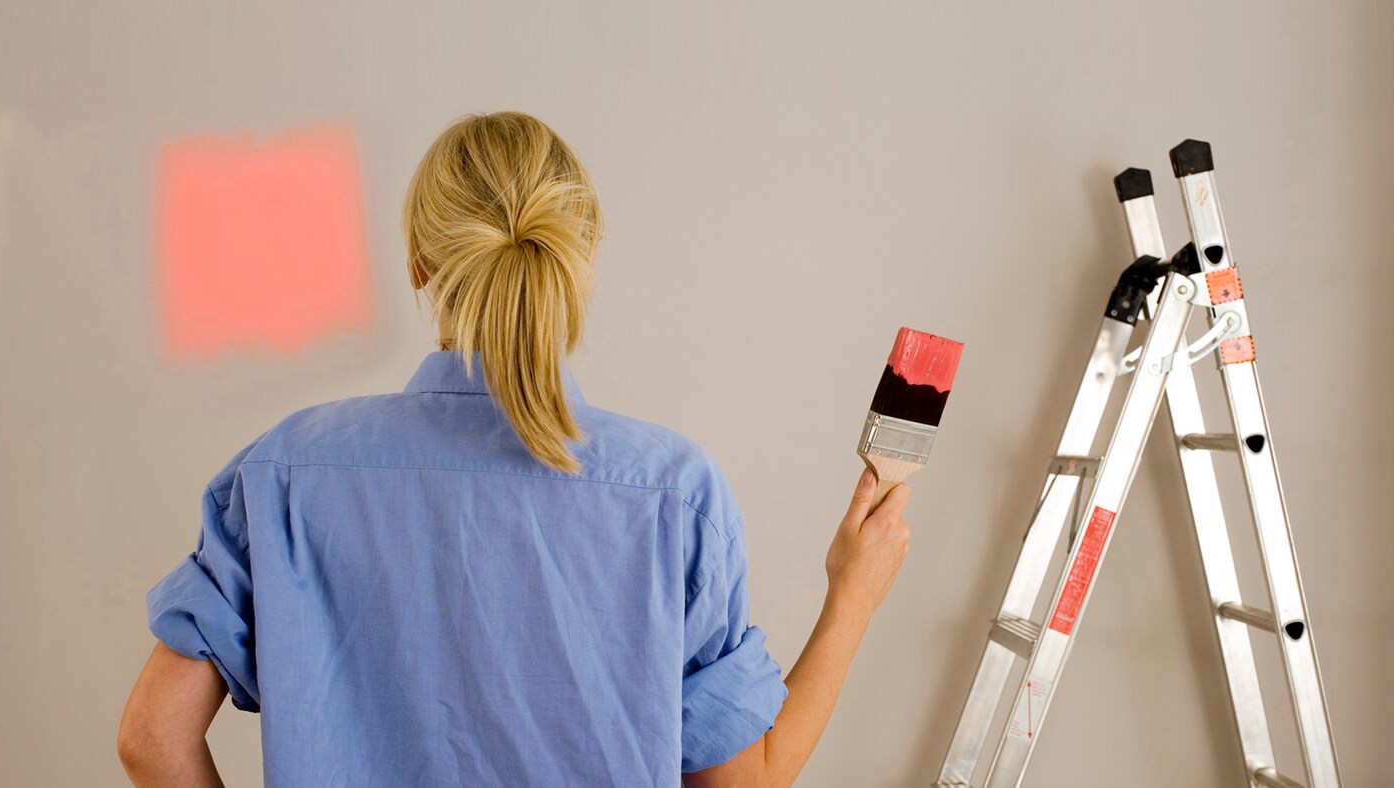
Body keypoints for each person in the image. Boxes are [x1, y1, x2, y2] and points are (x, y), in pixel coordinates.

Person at [117, 111, 912, 787]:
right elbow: (745, 781)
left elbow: (153, 739)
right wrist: (852, 599)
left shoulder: (284, 473)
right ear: (583, 257)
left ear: (418, 264)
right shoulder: (676, 495)